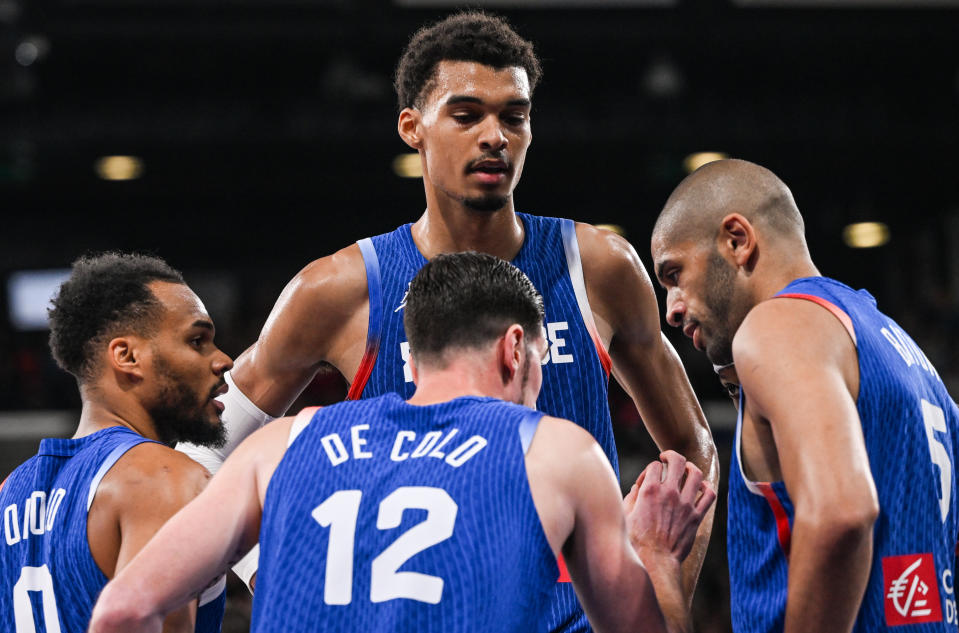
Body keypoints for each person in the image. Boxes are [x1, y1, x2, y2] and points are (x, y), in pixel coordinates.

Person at [177, 11, 718, 629]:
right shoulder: (340, 289)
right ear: (413, 127)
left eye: (514, 117)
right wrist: (272, 566)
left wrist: (661, 574)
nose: (495, 136)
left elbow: (694, 449)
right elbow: (203, 455)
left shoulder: (597, 266)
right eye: (467, 115)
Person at [91, 252, 716, 633]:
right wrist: (657, 556)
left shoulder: (280, 445)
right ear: (516, 349)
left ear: (410, 361)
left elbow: (121, 612)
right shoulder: (557, 452)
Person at [650, 158, 959, 631]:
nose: (671, 309)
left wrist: (656, 564)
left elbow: (841, 512)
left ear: (737, 240)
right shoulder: (900, 348)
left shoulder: (776, 326)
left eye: (674, 274)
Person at [0, 252, 233, 633]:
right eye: (197, 341)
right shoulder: (162, 478)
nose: (223, 360)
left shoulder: (9, 492)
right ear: (126, 356)